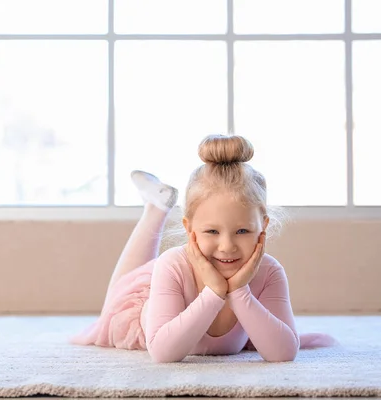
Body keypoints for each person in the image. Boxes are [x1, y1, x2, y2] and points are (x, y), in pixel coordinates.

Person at [71, 134, 337, 363]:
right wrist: (214, 293)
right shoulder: (172, 265)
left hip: (186, 286)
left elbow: (284, 353)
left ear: (263, 226)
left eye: (242, 231)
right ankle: (155, 208)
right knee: (121, 294)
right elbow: (163, 353)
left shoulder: (269, 272)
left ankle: (157, 206)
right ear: (189, 229)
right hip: (143, 313)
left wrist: (238, 291)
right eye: (212, 231)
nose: (227, 246)